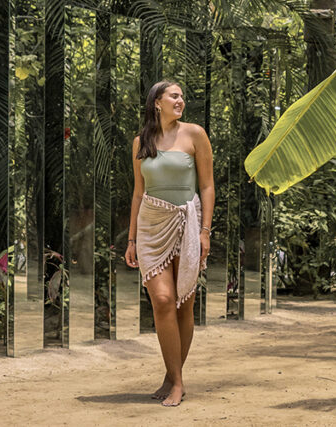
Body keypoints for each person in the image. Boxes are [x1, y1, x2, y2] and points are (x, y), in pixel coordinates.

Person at [124, 80, 215, 407]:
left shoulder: (195, 134)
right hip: (151, 226)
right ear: (157, 102)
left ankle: (173, 378)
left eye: (182, 97)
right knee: (162, 300)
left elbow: (206, 186)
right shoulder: (140, 142)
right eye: (174, 96)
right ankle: (176, 380)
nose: (181, 101)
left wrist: (205, 230)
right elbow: (138, 192)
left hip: (188, 224)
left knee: (183, 304)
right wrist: (131, 238)